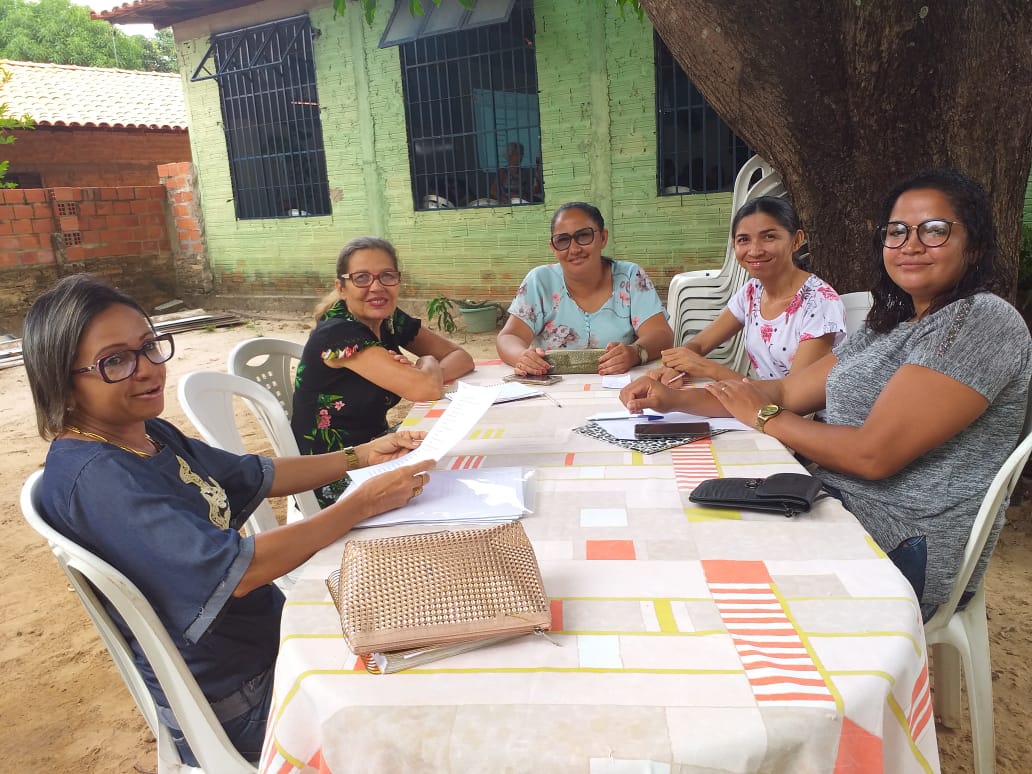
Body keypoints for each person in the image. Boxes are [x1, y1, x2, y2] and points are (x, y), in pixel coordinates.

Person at [22, 273, 434, 765]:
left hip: (268, 644)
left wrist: (360, 456)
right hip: (241, 696)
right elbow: (240, 571)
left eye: (149, 346)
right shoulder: (99, 478)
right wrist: (361, 505)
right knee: (427, 706)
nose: (148, 369)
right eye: (115, 361)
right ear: (61, 382)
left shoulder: (143, 433)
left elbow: (251, 473)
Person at [620, 169, 1032, 620]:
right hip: (829, 502)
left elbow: (872, 455)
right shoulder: (889, 323)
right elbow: (782, 389)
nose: (910, 244)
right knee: (668, 527)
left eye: (935, 230)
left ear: (974, 245)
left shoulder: (981, 321)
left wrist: (766, 418)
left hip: (904, 544)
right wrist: (672, 400)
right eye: (896, 231)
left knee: (703, 579)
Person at [292, 236, 474, 506]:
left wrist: (422, 368)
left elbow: (461, 357)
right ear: (341, 288)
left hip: (378, 449)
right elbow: (426, 390)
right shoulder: (338, 334)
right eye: (361, 278)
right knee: (456, 485)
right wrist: (425, 368)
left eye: (386, 276)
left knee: (462, 449)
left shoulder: (388, 319)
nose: (376, 288)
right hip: (335, 475)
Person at [656, 196, 846, 384]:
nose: (754, 250)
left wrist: (709, 368)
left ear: (796, 241)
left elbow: (794, 392)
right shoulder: (752, 293)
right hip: (764, 407)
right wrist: (676, 365)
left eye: (769, 237)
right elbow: (700, 344)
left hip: (808, 414)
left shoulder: (820, 302)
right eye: (744, 240)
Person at [497, 201, 674, 376]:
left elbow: (661, 334)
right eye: (563, 240)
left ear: (603, 238)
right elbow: (509, 337)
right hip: (554, 392)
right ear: (553, 247)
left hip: (618, 389)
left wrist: (635, 353)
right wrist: (522, 356)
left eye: (583, 236)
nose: (574, 249)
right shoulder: (540, 281)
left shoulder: (630, 277)